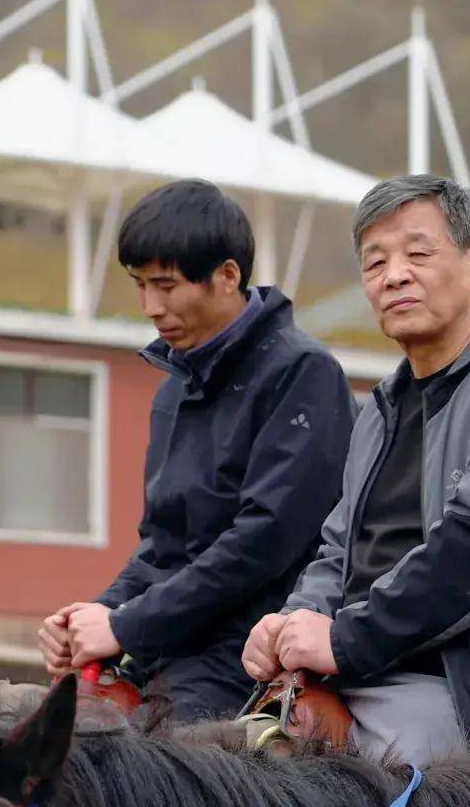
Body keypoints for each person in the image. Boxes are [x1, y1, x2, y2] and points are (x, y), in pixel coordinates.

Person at [242, 175, 470, 762]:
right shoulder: (378, 410)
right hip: (342, 672)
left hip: (447, 681)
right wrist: (292, 622)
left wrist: (342, 639)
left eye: (418, 254)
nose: (394, 275)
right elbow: (336, 552)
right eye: (375, 264)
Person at [41, 179, 353, 721]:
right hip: (170, 645)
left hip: (252, 654)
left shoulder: (304, 374)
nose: (150, 306)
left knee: (147, 777)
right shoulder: (174, 388)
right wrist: (98, 612)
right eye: (140, 285)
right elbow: (161, 546)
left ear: (228, 276)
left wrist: (123, 626)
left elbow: (261, 546)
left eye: (165, 286)